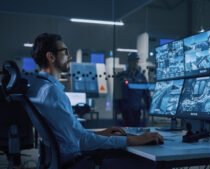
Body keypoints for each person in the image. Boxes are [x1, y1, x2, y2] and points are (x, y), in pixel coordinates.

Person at [26, 33, 163, 168]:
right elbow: (81, 141)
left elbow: (74, 135)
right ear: (51, 56)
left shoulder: (39, 87)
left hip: (63, 158)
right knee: (147, 162)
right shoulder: (52, 92)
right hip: (76, 161)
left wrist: (103, 133)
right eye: (65, 52)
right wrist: (134, 139)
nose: (70, 56)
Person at [115, 53, 151, 127]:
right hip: (125, 108)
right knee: (127, 129)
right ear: (129, 62)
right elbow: (117, 93)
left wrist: (149, 107)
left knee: (136, 127)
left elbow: (146, 93)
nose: (135, 63)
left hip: (136, 108)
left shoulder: (141, 77)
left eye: (136, 61)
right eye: (133, 61)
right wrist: (117, 107)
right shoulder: (122, 75)